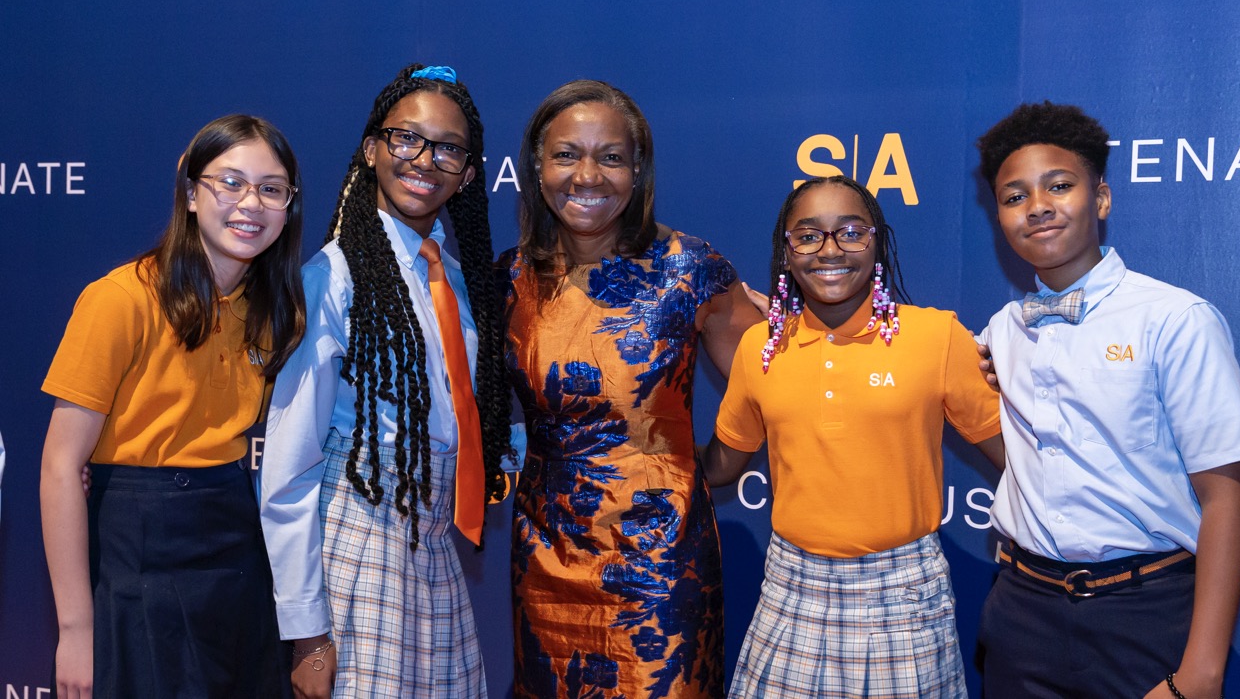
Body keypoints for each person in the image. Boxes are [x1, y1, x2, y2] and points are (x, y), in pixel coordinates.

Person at [974, 102, 1240, 699]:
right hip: (1021, 613)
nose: (1038, 207)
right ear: (999, 216)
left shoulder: (1175, 320)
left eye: (1059, 185)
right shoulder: (1001, 332)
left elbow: (1228, 499)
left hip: (1145, 615)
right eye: (1014, 196)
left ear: (1100, 199)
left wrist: (1201, 675)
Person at [501, 80, 759, 699]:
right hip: (543, 560)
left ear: (637, 171)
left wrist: (717, 464)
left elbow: (772, 382)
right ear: (536, 167)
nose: (587, 175)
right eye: (567, 155)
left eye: (610, 157)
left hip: (659, 564)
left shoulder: (692, 270)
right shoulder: (509, 277)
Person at [259, 64, 511, 698]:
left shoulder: (459, 280)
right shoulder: (333, 277)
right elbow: (288, 471)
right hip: (358, 547)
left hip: (434, 551)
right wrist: (309, 634)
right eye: (406, 139)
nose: (425, 159)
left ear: (469, 173)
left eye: (449, 148)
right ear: (372, 150)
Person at [701, 175, 1005, 699]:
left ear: (877, 243)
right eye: (808, 235)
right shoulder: (761, 349)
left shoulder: (936, 338)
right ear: (787, 251)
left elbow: (1018, 458)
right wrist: (642, 440)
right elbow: (724, 464)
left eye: (850, 232)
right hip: (791, 589)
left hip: (903, 594)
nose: (830, 250)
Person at [40, 115, 306, 698]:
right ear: (190, 193)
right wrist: (75, 630)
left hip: (237, 551)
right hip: (138, 560)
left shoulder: (279, 312)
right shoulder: (118, 299)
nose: (250, 204)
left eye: (271, 188)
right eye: (229, 182)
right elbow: (61, 466)